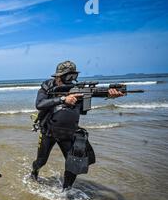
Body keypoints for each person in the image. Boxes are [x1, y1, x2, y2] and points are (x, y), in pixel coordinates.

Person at [30, 60, 124, 190]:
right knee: (41, 161)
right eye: (67, 76)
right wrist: (63, 99)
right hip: (48, 131)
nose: (71, 79)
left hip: (68, 133)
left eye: (73, 76)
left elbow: (99, 93)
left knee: (74, 165)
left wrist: (111, 94)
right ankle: (34, 173)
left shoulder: (78, 89)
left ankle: (66, 190)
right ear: (58, 77)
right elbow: (39, 104)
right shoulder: (46, 87)